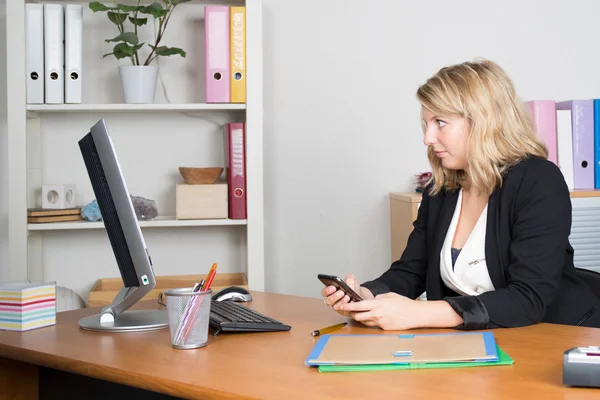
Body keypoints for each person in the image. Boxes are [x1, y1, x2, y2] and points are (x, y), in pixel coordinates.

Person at [321, 58, 600, 330]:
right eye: (426, 124)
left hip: (554, 339)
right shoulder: (440, 189)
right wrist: (367, 297)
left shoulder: (538, 180)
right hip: (481, 345)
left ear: (483, 122)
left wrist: (419, 313)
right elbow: (411, 271)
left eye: (440, 122)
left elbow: (528, 298)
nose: (427, 138)